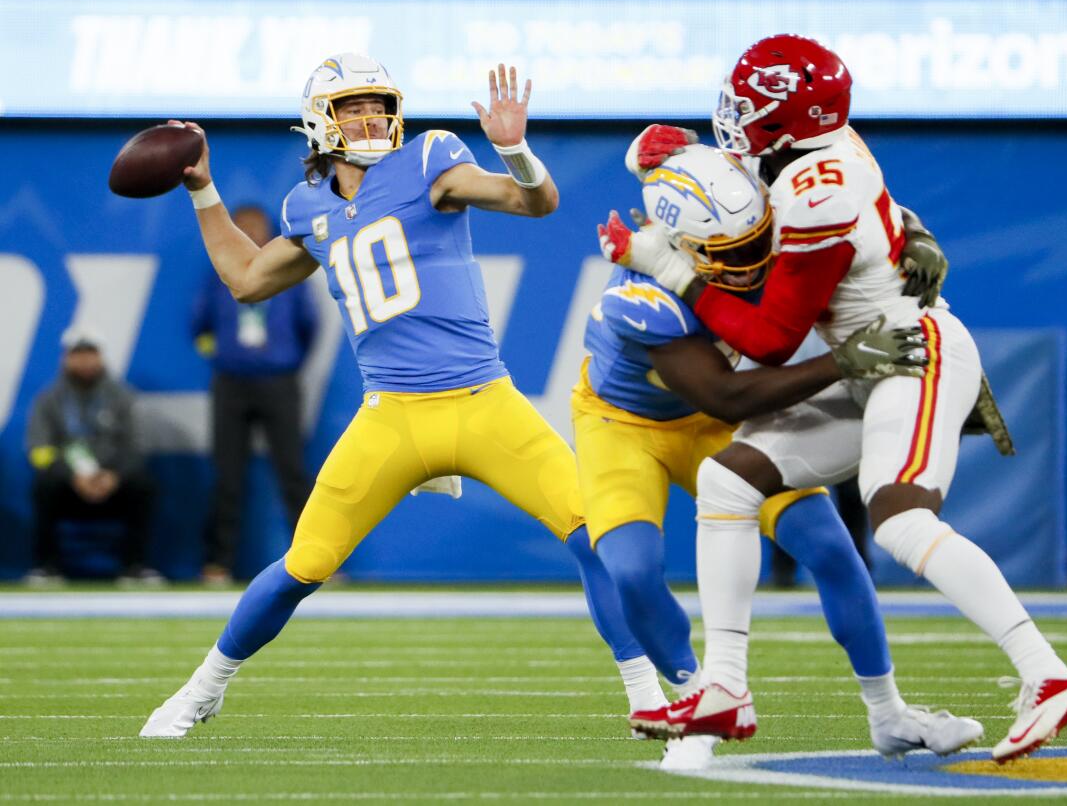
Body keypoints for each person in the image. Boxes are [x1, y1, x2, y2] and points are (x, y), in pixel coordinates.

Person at [601, 34, 1067, 763]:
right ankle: (727, 689)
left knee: (896, 517)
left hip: (910, 351)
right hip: (868, 362)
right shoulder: (813, 148)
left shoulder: (813, 191)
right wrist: (915, 228)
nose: (736, 117)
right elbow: (671, 153)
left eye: (754, 105)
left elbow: (771, 339)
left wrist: (670, 268)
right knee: (728, 480)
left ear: (792, 120)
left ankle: (1049, 674)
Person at [141, 54, 653, 738]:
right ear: (319, 121)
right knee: (304, 564)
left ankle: (647, 694)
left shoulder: (430, 160)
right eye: (352, 106)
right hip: (392, 416)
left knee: (592, 533)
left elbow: (534, 201)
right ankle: (202, 689)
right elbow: (247, 278)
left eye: (378, 104)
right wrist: (203, 190)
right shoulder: (309, 207)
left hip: (482, 402)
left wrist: (515, 151)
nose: (370, 117)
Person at [580, 143, 981, 769]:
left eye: (756, 242)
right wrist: (844, 360)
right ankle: (700, 705)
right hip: (627, 422)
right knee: (631, 570)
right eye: (731, 255)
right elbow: (730, 394)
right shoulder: (640, 299)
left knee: (829, 547)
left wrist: (914, 232)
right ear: (679, 247)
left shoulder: (740, 214)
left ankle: (889, 714)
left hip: (713, 417)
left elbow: (854, 205)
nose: (752, 262)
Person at [192, 203, 317, 584]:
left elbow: (308, 327)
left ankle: (316, 560)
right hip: (230, 384)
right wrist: (230, 356)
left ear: (268, 232)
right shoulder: (220, 276)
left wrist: (282, 360)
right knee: (227, 476)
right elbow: (199, 327)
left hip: (278, 383)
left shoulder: (289, 269)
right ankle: (219, 563)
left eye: (255, 227)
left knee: (293, 473)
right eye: (241, 227)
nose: (248, 234)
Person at [25, 327, 161, 585]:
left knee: (143, 484)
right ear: (66, 358)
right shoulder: (49, 399)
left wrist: (114, 476)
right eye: (78, 354)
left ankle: (134, 566)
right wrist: (73, 477)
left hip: (113, 485)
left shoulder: (122, 396)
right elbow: (39, 452)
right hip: (69, 487)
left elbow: (138, 446)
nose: (85, 361)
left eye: (91, 353)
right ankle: (46, 567)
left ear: (101, 357)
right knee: (43, 485)